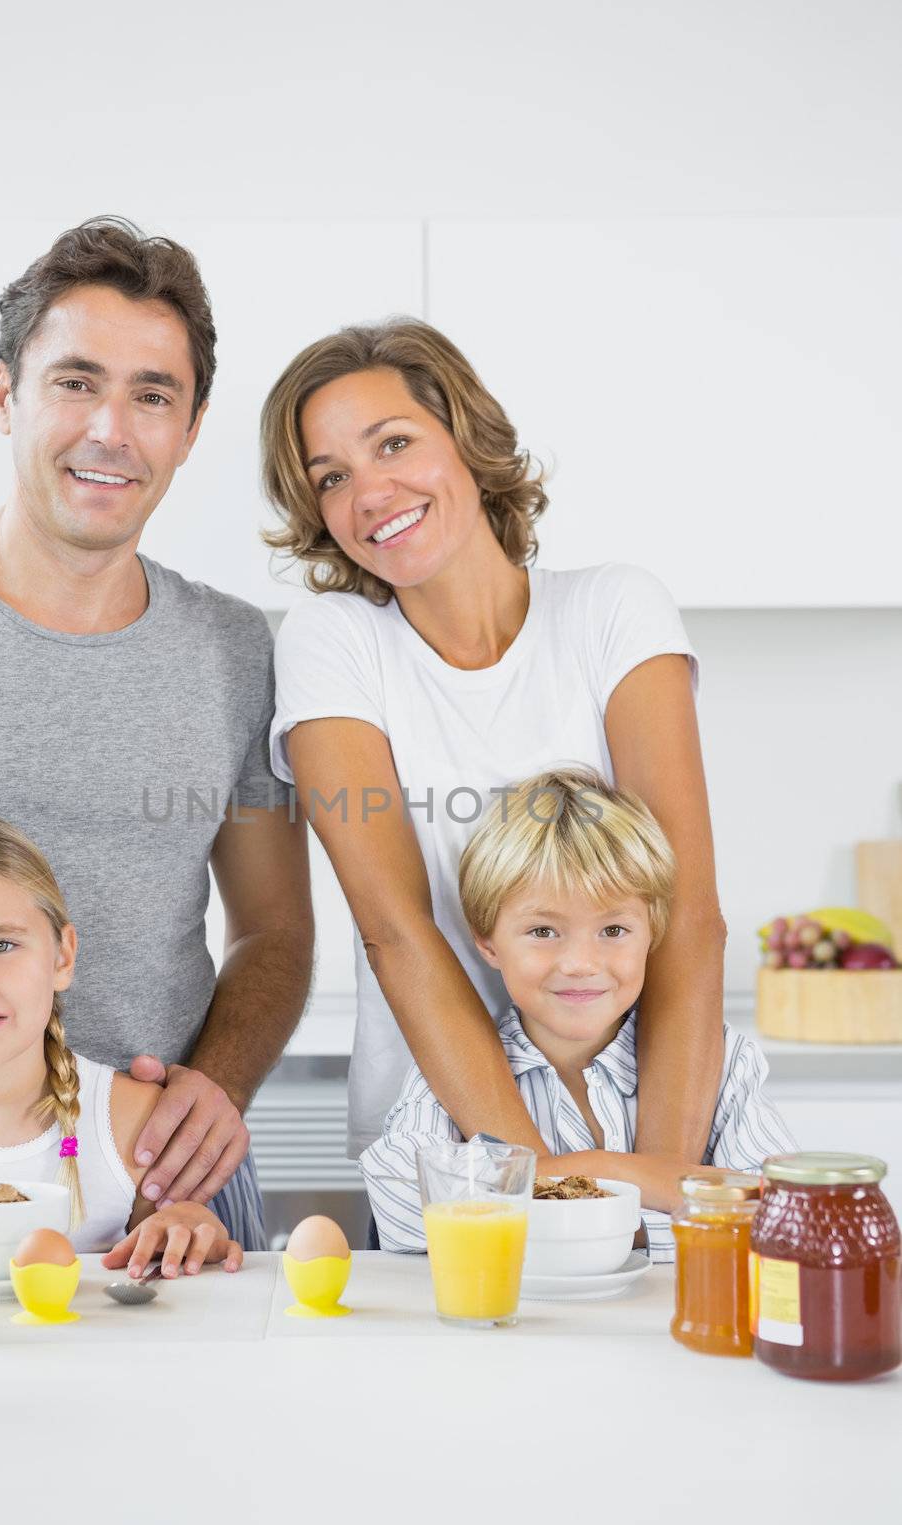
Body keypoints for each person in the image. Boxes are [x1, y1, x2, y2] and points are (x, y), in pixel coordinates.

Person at [0, 217, 313, 1235]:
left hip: (157, 1190)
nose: (112, 429)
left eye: (153, 395)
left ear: (188, 428)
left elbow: (274, 930)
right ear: (5, 392)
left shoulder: (235, 650)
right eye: (75, 381)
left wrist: (219, 1085)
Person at [261, 319, 725, 1186]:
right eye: (332, 477)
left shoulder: (613, 613)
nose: (369, 493)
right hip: (445, 1146)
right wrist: (544, 1182)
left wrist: (651, 1182)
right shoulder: (333, 642)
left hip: (640, 1121)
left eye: (393, 442)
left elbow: (686, 912)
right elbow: (396, 932)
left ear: (466, 440)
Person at [360, 770, 794, 1256]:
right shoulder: (451, 1068)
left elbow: (780, 1217)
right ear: (487, 941)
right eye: (544, 931)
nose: (581, 965)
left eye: (613, 930)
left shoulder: (727, 1063)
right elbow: (401, 1206)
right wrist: (643, 1181)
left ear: (653, 932)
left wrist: (553, 1183)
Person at [0, 812, 250, 1275]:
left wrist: (187, 1225)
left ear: (62, 956)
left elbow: (166, 1263)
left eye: (0, 945)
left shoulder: (134, 1124)